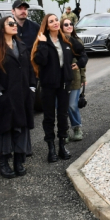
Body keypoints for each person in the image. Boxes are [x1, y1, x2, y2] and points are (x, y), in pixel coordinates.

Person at [0, 17, 36, 178]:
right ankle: (4, 162)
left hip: (23, 95)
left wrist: (32, 86)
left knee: (21, 127)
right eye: (11, 24)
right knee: (5, 128)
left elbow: (29, 69)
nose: (15, 26)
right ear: (1, 28)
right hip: (5, 97)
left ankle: (19, 160)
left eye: (15, 23)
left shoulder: (21, 45)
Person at [32, 14, 75, 163]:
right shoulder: (42, 41)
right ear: (46, 25)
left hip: (63, 84)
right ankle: (51, 148)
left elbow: (81, 54)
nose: (55, 23)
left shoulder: (65, 40)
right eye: (51, 21)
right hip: (48, 85)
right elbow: (40, 61)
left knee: (63, 116)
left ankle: (62, 146)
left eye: (56, 20)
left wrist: (78, 63)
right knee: (49, 117)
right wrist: (43, 44)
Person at [61, 18, 88, 142]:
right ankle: (64, 131)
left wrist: (83, 78)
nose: (69, 26)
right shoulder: (58, 41)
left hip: (75, 78)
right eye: (65, 24)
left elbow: (83, 61)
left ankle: (77, 128)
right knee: (62, 106)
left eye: (71, 24)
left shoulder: (77, 41)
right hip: (61, 79)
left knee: (72, 105)